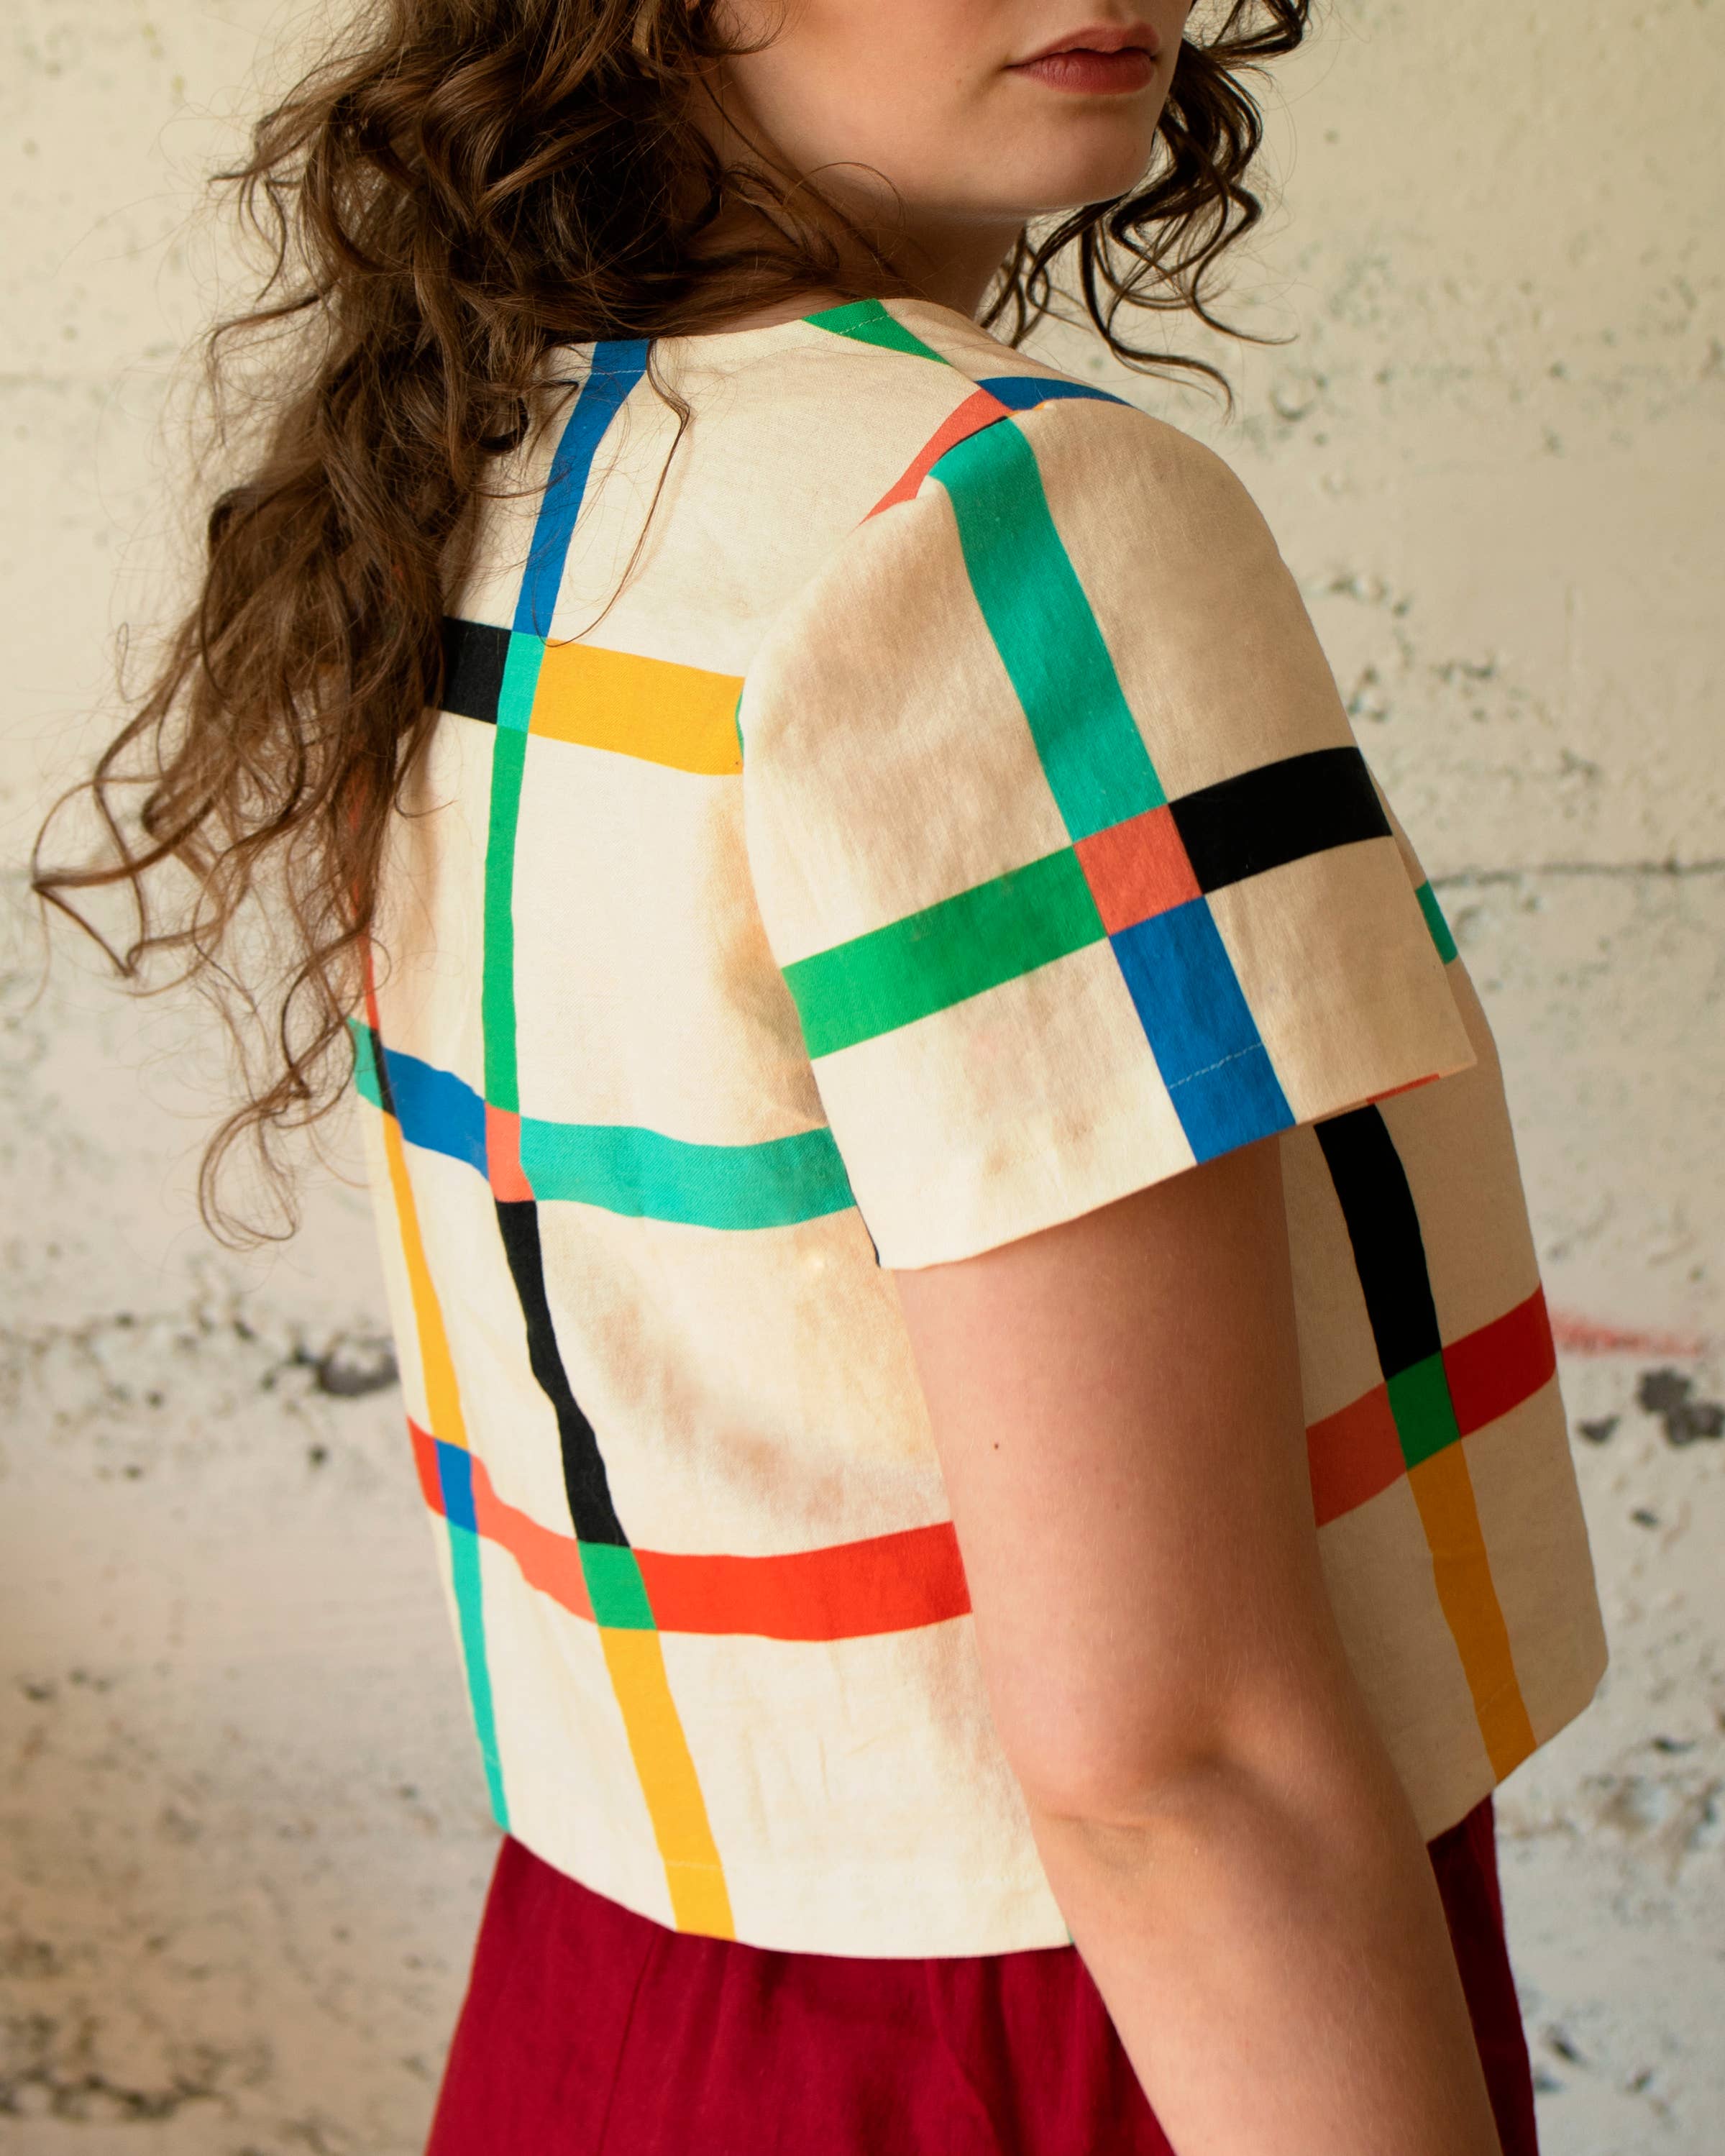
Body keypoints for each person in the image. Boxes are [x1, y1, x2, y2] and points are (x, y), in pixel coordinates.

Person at [35, 2, 1609, 2151]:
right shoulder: (988, 512)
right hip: (1089, 2038)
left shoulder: (494, 468)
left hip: (608, 2006)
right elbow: (1180, 1763)